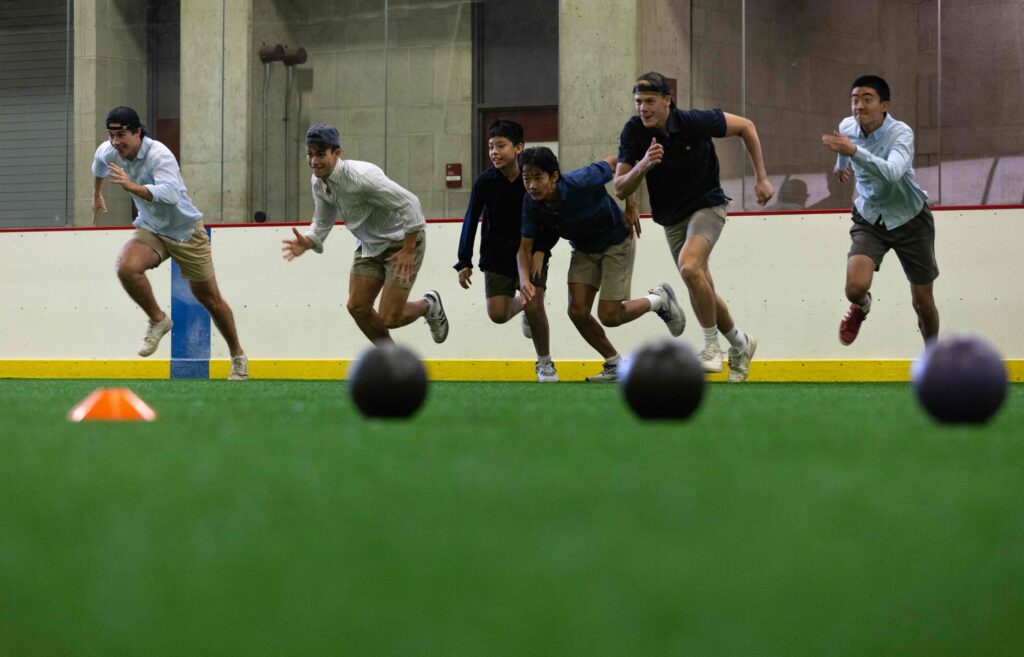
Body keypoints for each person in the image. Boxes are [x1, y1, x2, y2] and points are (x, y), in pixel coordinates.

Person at [613, 72, 772, 383]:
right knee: (701, 283)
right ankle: (741, 343)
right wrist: (644, 164)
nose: (643, 108)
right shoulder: (633, 132)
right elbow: (620, 187)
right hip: (671, 218)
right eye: (638, 102)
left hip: (707, 205)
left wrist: (762, 178)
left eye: (649, 102)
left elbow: (746, 127)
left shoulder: (695, 121)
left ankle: (711, 347)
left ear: (667, 101)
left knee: (688, 268)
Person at [91, 106, 248, 380]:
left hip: (185, 232)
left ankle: (237, 356)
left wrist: (133, 187)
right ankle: (158, 319)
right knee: (125, 266)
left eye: (121, 134)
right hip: (151, 228)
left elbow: (170, 194)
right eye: (111, 135)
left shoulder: (158, 155)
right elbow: (98, 166)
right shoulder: (109, 150)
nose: (116, 141)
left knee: (210, 300)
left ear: (137, 132)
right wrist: (97, 194)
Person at [518, 146, 686, 382]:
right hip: (583, 248)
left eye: (538, 178)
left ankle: (658, 301)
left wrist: (631, 205)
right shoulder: (530, 202)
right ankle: (615, 364)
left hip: (616, 241)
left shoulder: (581, 180)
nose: (532, 185)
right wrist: (525, 280)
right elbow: (525, 246)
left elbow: (622, 161)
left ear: (554, 176)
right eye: (527, 179)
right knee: (577, 311)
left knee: (610, 316)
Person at [281, 124, 448, 345]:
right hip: (369, 245)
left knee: (390, 317)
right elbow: (322, 221)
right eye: (310, 154)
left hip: (402, 242)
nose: (313, 161)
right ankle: (393, 362)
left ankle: (429, 304)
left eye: (320, 154)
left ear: (337, 153)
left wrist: (408, 250)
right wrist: (309, 240)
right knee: (357, 307)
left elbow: (411, 204)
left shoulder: (362, 177)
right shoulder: (318, 181)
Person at [822, 75, 938, 345]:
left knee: (923, 303)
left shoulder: (901, 133)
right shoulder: (847, 126)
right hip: (870, 217)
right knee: (854, 288)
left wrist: (853, 152)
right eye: (854, 99)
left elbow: (893, 173)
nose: (858, 106)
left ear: (884, 105)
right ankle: (862, 306)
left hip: (911, 220)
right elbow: (844, 142)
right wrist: (841, 163)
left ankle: (935, 358)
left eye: (866, 99)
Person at [454, 120, 560, 382]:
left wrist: (542, 250)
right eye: (491, 147)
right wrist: (463, 259)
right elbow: (471, 218)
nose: (494, 152)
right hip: (496, 255)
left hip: (533, 252)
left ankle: (545, 363)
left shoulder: (533, 179)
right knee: (498, 314)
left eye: (501, 146)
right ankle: (523, 308)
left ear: (518, 148)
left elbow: (553, 215)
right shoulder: (484, 182)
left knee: (535, 305)